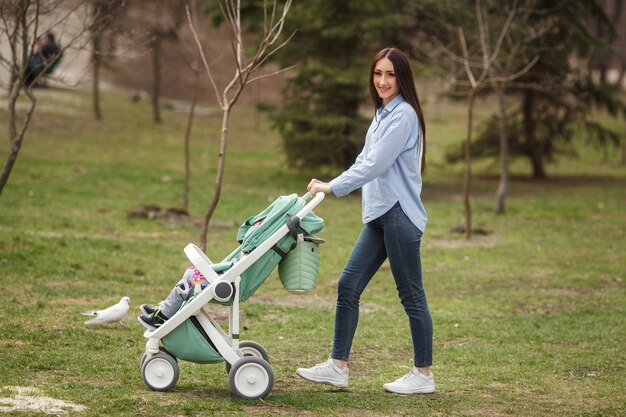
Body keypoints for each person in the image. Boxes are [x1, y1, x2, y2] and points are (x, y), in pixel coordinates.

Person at [296, 47, 434, 394]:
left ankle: (423, 376)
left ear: (402, 78)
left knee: (411, 296)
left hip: (399, 215)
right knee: (348, 286)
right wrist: (331, 183)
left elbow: (375, 165)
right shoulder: (383, 113)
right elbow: (364, 159)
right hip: (379, 215)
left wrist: (332, 187)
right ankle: (337, 367)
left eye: (390, 74)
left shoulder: (403, 116)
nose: (383, 81)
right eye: (377, 74)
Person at [138, 266, 210, 330]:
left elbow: (220, 267)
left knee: (190, 275)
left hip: (215, 280)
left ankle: (162, 317)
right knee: (190, 274)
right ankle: (163, 309)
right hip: (214, 277)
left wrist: (205, 268)